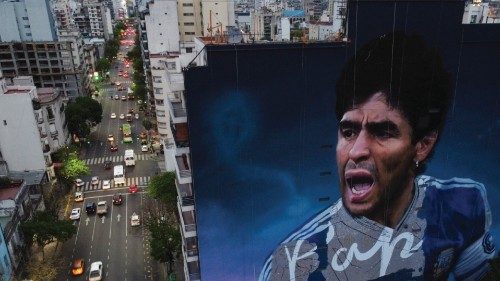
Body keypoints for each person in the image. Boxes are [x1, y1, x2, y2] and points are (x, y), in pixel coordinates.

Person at [259, 32, 495, 281]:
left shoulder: (460, 207)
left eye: (383, 132)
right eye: (348, 131)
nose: (356, 151)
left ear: (423, 145)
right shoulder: (295, 263)